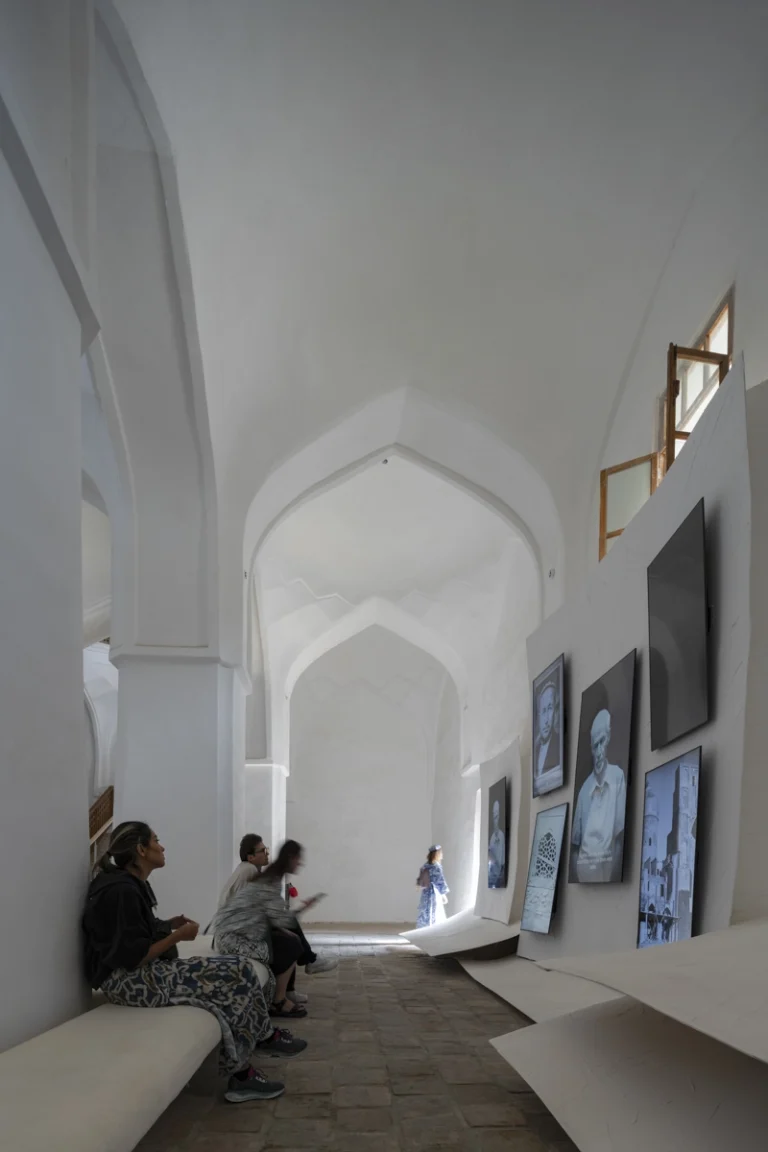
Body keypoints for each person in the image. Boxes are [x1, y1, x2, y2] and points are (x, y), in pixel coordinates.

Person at [82, 822, 308, 1105]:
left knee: (240, 969)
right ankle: (241, 1074)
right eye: (156, 841)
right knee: (235, 978)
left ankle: (261, 1037)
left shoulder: (130, 885)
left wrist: (167, 925)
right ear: (141, 850)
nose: (162, 847)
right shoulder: (121, 891)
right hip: (128, 982)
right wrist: (177, 936)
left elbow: (135, 932)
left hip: (139, 973)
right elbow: (131, 957)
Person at [211, 840, 320, 1019]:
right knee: (292, 945)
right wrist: (303, 908)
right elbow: (282, 919)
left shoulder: (268, 877)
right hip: (232, 939)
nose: (300, 863)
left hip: (236, 932)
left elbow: (271, 917)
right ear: (291, 858)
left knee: (290, 939)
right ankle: (278, 1002)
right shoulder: (268, 879)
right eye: (299, 859)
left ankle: (287, 989)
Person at [570, 709, 627, 883]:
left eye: (602, 742)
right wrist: (579, 876)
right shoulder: (584, 790)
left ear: (608, 739)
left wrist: (610, 877)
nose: (599, 750)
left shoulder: (618, 777)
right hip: (584, 877)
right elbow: (575, 846)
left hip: (607, 876)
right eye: (595, 746)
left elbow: (620, 838)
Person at [533, 677, 562, 794]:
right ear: (539, 715)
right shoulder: (536, 750)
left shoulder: (558, 744)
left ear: (555, 712)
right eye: (543, 711)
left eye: (549, 709)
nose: (546, 720)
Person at [416, 846, 449, 928]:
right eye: (441, 853)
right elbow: (440, 881)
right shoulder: (436, 866)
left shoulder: (425, 865)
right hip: (434, 892)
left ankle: (424, 927)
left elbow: (421, 880)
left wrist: (419, 885)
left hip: (425, 892)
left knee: (425, 910)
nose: (442, 855)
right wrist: (443, 894)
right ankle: (434, 928)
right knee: (434, 910)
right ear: (437, 854)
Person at [488, 801, 506, 888]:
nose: (495, 818)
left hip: (498, 876)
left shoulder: (501, 835)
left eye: (497, 815)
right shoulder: (492, 837)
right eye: (494, 815)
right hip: (492, 876)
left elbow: (502, 861)